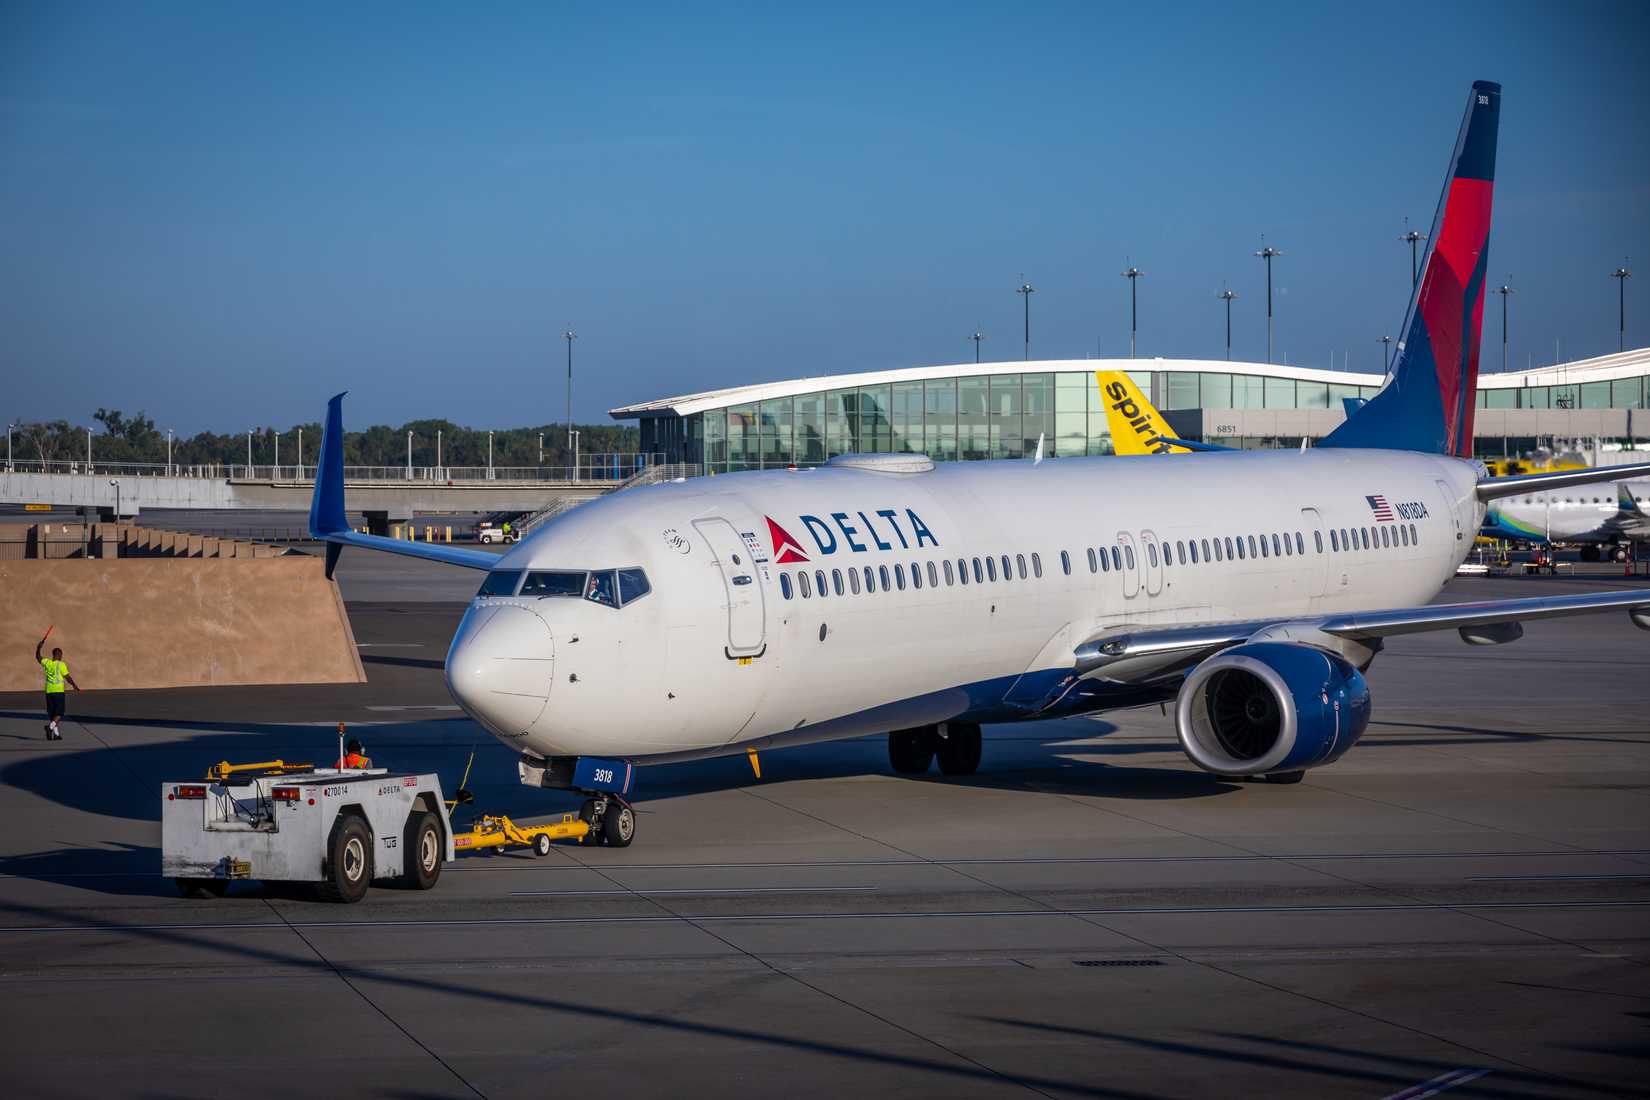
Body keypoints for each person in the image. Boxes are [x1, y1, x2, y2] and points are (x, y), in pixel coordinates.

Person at [35, 634, 81, 741]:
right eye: (61, 654)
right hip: (58, 692)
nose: (61, 656)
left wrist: (38, 648)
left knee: (52, 714)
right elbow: (67, 677)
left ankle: (56, 734)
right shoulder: (61, 664)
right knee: (59, 713)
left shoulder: (47, 663)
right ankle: (49, 728)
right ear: (58, 654)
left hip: (49, 692)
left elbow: (38, 657)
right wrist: (74, 685)